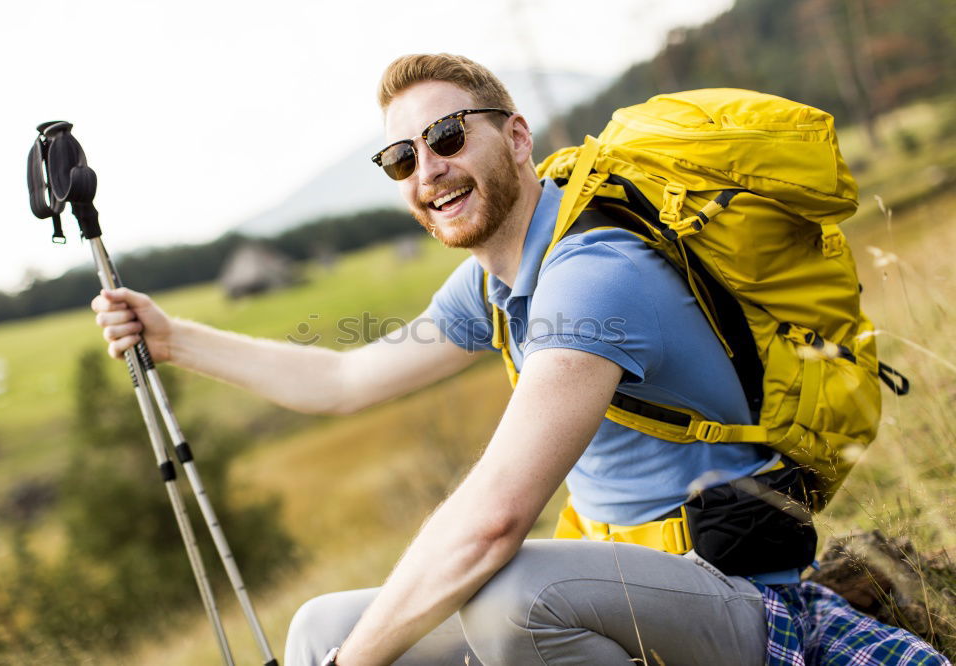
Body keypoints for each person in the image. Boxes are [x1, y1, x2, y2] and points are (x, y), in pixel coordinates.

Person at [93, 54, 948, 666]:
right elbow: (345, 377)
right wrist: (173, 340)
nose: (428, 169)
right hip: (628, 597)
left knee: (510, 598)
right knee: (320, 626)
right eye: (402, 158)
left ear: (515, 136)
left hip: (742, 599)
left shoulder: (593, 278)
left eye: (446, 137)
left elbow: (494, 522)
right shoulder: (494, 287)